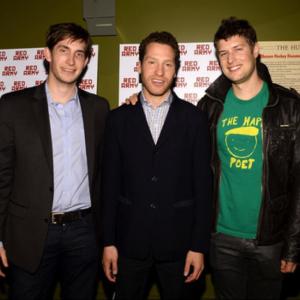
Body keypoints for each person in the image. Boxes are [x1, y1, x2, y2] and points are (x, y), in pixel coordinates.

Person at [0, 22, 109, 299]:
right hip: (30, 234)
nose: (71, 60)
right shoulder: (12, 106)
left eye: (79, 53)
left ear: (86, 61)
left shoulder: (98, 108)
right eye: (63, 50)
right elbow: (2, 177)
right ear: (47, 54)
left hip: (84, 233)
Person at [101, 31, 212, 300]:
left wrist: (199, 246)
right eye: (152, 62)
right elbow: (109, 185)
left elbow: (204, 186)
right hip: (128, 244)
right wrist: (108, 242)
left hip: (180, 246)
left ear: (176, 69)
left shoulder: (195, 119)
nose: (159, 71)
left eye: (168, 63)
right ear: (139, 66)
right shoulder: (118, 119)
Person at [197, 17, 300, 299]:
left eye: (238, 49)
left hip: (270, 240)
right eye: (223, 53)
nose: (231, 59)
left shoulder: (289, 107)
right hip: (222, 238)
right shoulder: (209, 107)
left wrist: (293, 245)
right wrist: (140, 100)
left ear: (256, 50)